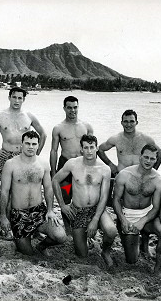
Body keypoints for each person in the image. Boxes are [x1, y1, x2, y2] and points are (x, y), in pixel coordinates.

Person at [52, 134, 118, 267]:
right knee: (82, 255)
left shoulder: (104, 169)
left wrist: (95, 219)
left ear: (96, 149)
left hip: (97, 209)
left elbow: (104, 196)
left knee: (111, 231)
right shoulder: (72, 164)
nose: (89, 151)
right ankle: (86, 240)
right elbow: (55, 180)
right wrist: (63, 206)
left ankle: (105, 252)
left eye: (92, 147)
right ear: (81, 149)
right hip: (78, 210)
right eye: (86, 147)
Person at [0, 131, 66, 255]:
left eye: (34, 144)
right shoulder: (10, 165)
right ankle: (24, 238)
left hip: (39, 211)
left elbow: (48, 189)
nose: (31, 147)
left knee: (60, 236)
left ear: (38, 145)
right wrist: (3, 217)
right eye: (27, 143)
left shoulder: (43, 164)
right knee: (27, 253)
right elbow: (4, 192)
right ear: (21, 145)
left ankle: (42, 245)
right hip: (19, 214)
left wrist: (50, 210)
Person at [0, 87, 47, 182]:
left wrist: (36, 153)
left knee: (24, 185)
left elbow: (43, 134)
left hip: (25, 155)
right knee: (5, 186)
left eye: (20, 98)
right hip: (6, 155)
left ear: (24, 99)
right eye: (14, 97)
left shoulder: (29, 116)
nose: (17, 101)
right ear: (9, 98)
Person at [113, 144, 161, 263]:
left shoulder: (158, 180)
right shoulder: (125, 175)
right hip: (128, 215)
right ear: (140, 157)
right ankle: (138, 241)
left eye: (152, 158)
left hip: (147, 214)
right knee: (132, 260)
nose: (148, 161)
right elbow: (116, 200)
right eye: (146, 157)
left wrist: (143, 220)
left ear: (156, 160)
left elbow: (156, 207)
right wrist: (123, 220)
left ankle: (157, 264)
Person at [50, 96, 93, 233]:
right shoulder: (58, 128)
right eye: (69, 107)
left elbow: (92, 149)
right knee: (65, 196)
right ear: (64, 108)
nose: (72, 110)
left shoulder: (86, 126)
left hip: (83, 166)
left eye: (75, 107)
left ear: (78, 107)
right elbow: (54, 150)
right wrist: (53, 171)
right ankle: (68, 229)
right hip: (66, 166)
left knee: (85, 197)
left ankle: (84, 226)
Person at [98, 109, 161, 177]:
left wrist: (152, 170)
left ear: (136, 122)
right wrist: (111, 165)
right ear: (122, 123)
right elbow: (99, 149)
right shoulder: (116, 139)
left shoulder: (145, 139)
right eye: (125, 121)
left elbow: (160, 153)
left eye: (132, 121)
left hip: (140, 177)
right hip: (122, 176)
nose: (128, 125)